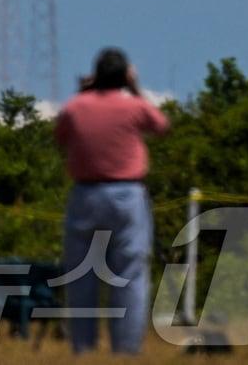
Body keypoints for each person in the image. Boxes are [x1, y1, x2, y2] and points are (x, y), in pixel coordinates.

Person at [54, 47, 171, 355]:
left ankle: (82, 347)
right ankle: (126, 348)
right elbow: (161, 126)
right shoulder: (133, 106)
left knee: (81, 273)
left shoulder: (75, 106)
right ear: (123, 76)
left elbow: (60, 137)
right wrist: (134, 89)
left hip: (85, 194)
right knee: (130, 274)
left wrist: (83, 93)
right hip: (126, 195)